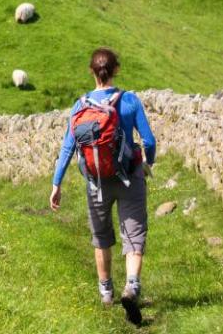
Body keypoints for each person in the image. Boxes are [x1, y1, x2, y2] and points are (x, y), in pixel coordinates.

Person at [49, 47, 156, 326]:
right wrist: (148, 163)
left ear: (92, 72)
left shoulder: (79, 106)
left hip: (96, 182)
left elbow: (68, 147)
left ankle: (106, 293)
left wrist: (56, 183)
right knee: (134, 234)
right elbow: (149, 141)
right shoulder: (130, 101)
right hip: (130, 176)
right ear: (116, 70)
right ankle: (131, 286)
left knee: (101, 237)